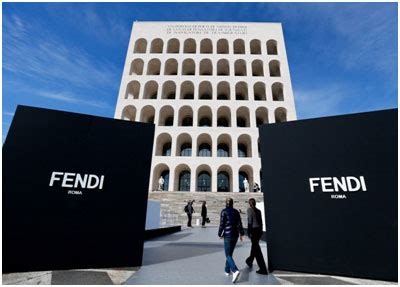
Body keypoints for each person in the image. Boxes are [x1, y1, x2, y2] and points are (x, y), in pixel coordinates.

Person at [218, 197, 244, 283]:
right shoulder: (236, 211)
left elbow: (222, 223)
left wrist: (219, 233)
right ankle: (226, 270)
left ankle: (235, 270)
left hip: (228, 235)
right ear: (232, 203)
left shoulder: (224, 211)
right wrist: (242, 233)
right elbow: (239, 223)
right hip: (235, 235)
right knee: (230, 253)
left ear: (226, 203)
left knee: (228, 255)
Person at [245, 198, 268, 275]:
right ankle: (249, 261)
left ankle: (263, 268)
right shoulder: (258, 211)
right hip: (258, 231)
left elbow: (250, 221)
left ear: (250, 203)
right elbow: (261, 222)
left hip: (253, 231)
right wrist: (261, 231)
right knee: (254, 247)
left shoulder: (249, 210)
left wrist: (248, 232)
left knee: (257, 249)